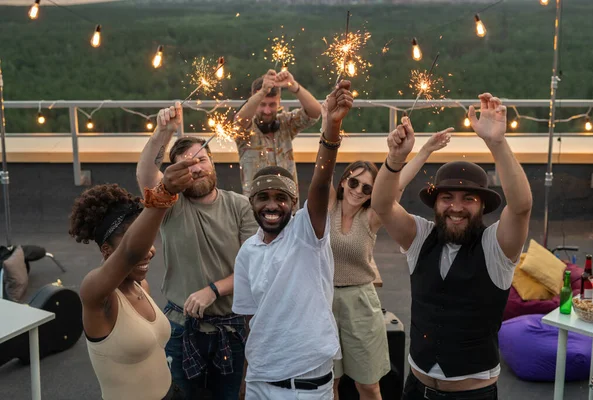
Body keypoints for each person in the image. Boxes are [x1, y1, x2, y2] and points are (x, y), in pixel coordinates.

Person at [372, 93, 533, 400]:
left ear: (483, 206)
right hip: (416, 389)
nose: (456, 208)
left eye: (468, 199)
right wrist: (394, 158)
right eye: (447, 198)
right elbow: (381, 205)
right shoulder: (421, 236)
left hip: (472, 395)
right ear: (435, 204)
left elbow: (522, 206)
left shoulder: (496, 247)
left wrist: (497, 143)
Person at [232, 80, 354, 399]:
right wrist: (248, 375)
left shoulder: (306, 232)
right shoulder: (248, 250)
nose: (271, 203)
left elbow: (319, 181)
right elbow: (250, 320)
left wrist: (331, 131)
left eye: (274, 103)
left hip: (305, 386)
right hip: (261, 380)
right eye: (264, 197)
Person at [136, 102, 258, 399]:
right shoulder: (171, 204)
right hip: (180, 327)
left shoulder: (240, 205)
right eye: (188, 165)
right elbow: (146, 178)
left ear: (212, 162)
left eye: (202, 159)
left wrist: (213, 290)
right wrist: (162, 133)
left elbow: (253, 267)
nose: (197, 168)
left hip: (231, 329)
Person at [329, 124, 452, 400]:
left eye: (367, 187)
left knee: (369, 386)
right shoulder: (327, 207)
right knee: (330, 383)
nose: (358, 190)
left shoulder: (371, 217)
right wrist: (330, 123)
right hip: (322, 302)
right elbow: (323, 164)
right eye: (353, 182)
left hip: (359, 304)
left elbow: (397, 183)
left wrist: (425, 150)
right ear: (342, 181)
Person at [69, 172, 196, 400]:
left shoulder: (141, 286)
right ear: (107, 249)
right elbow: (130, 252)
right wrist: (163, 193)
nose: (150, 250)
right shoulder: (97, 294)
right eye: (142, 242)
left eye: (151, 240)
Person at [234, 69, 321, 199]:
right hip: (255, 209)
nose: (267, 111)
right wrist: (263, 91)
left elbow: (315, 112)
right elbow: (240, 120)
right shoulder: (246, 131)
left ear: (279, 102)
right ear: (254, 100)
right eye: (262, 104)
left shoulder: (285, 123)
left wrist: (294, 86)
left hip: (288, 205)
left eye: (272, 104)